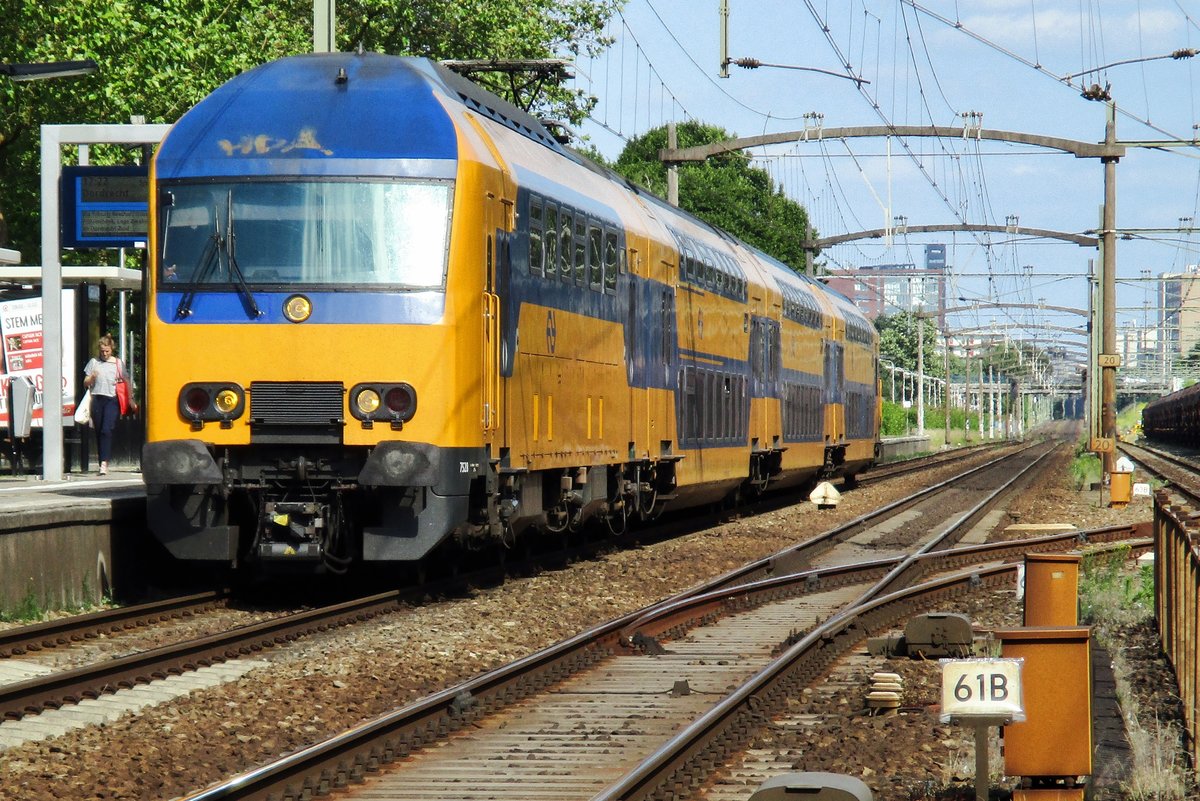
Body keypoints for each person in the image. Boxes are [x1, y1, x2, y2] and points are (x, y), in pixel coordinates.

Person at [82, 334, 129, 475]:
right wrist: (92, 377)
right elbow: (85, 383)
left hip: (112, 399)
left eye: (107, 351)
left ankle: (104, 463)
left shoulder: (117, 363)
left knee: (106, 429)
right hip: (97, 398)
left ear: (111, 349)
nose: (105, 353)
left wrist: (130, 399)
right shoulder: (94, 362)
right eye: (102, 351)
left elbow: (126, 381)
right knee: (98, 431)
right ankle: (102, 460)